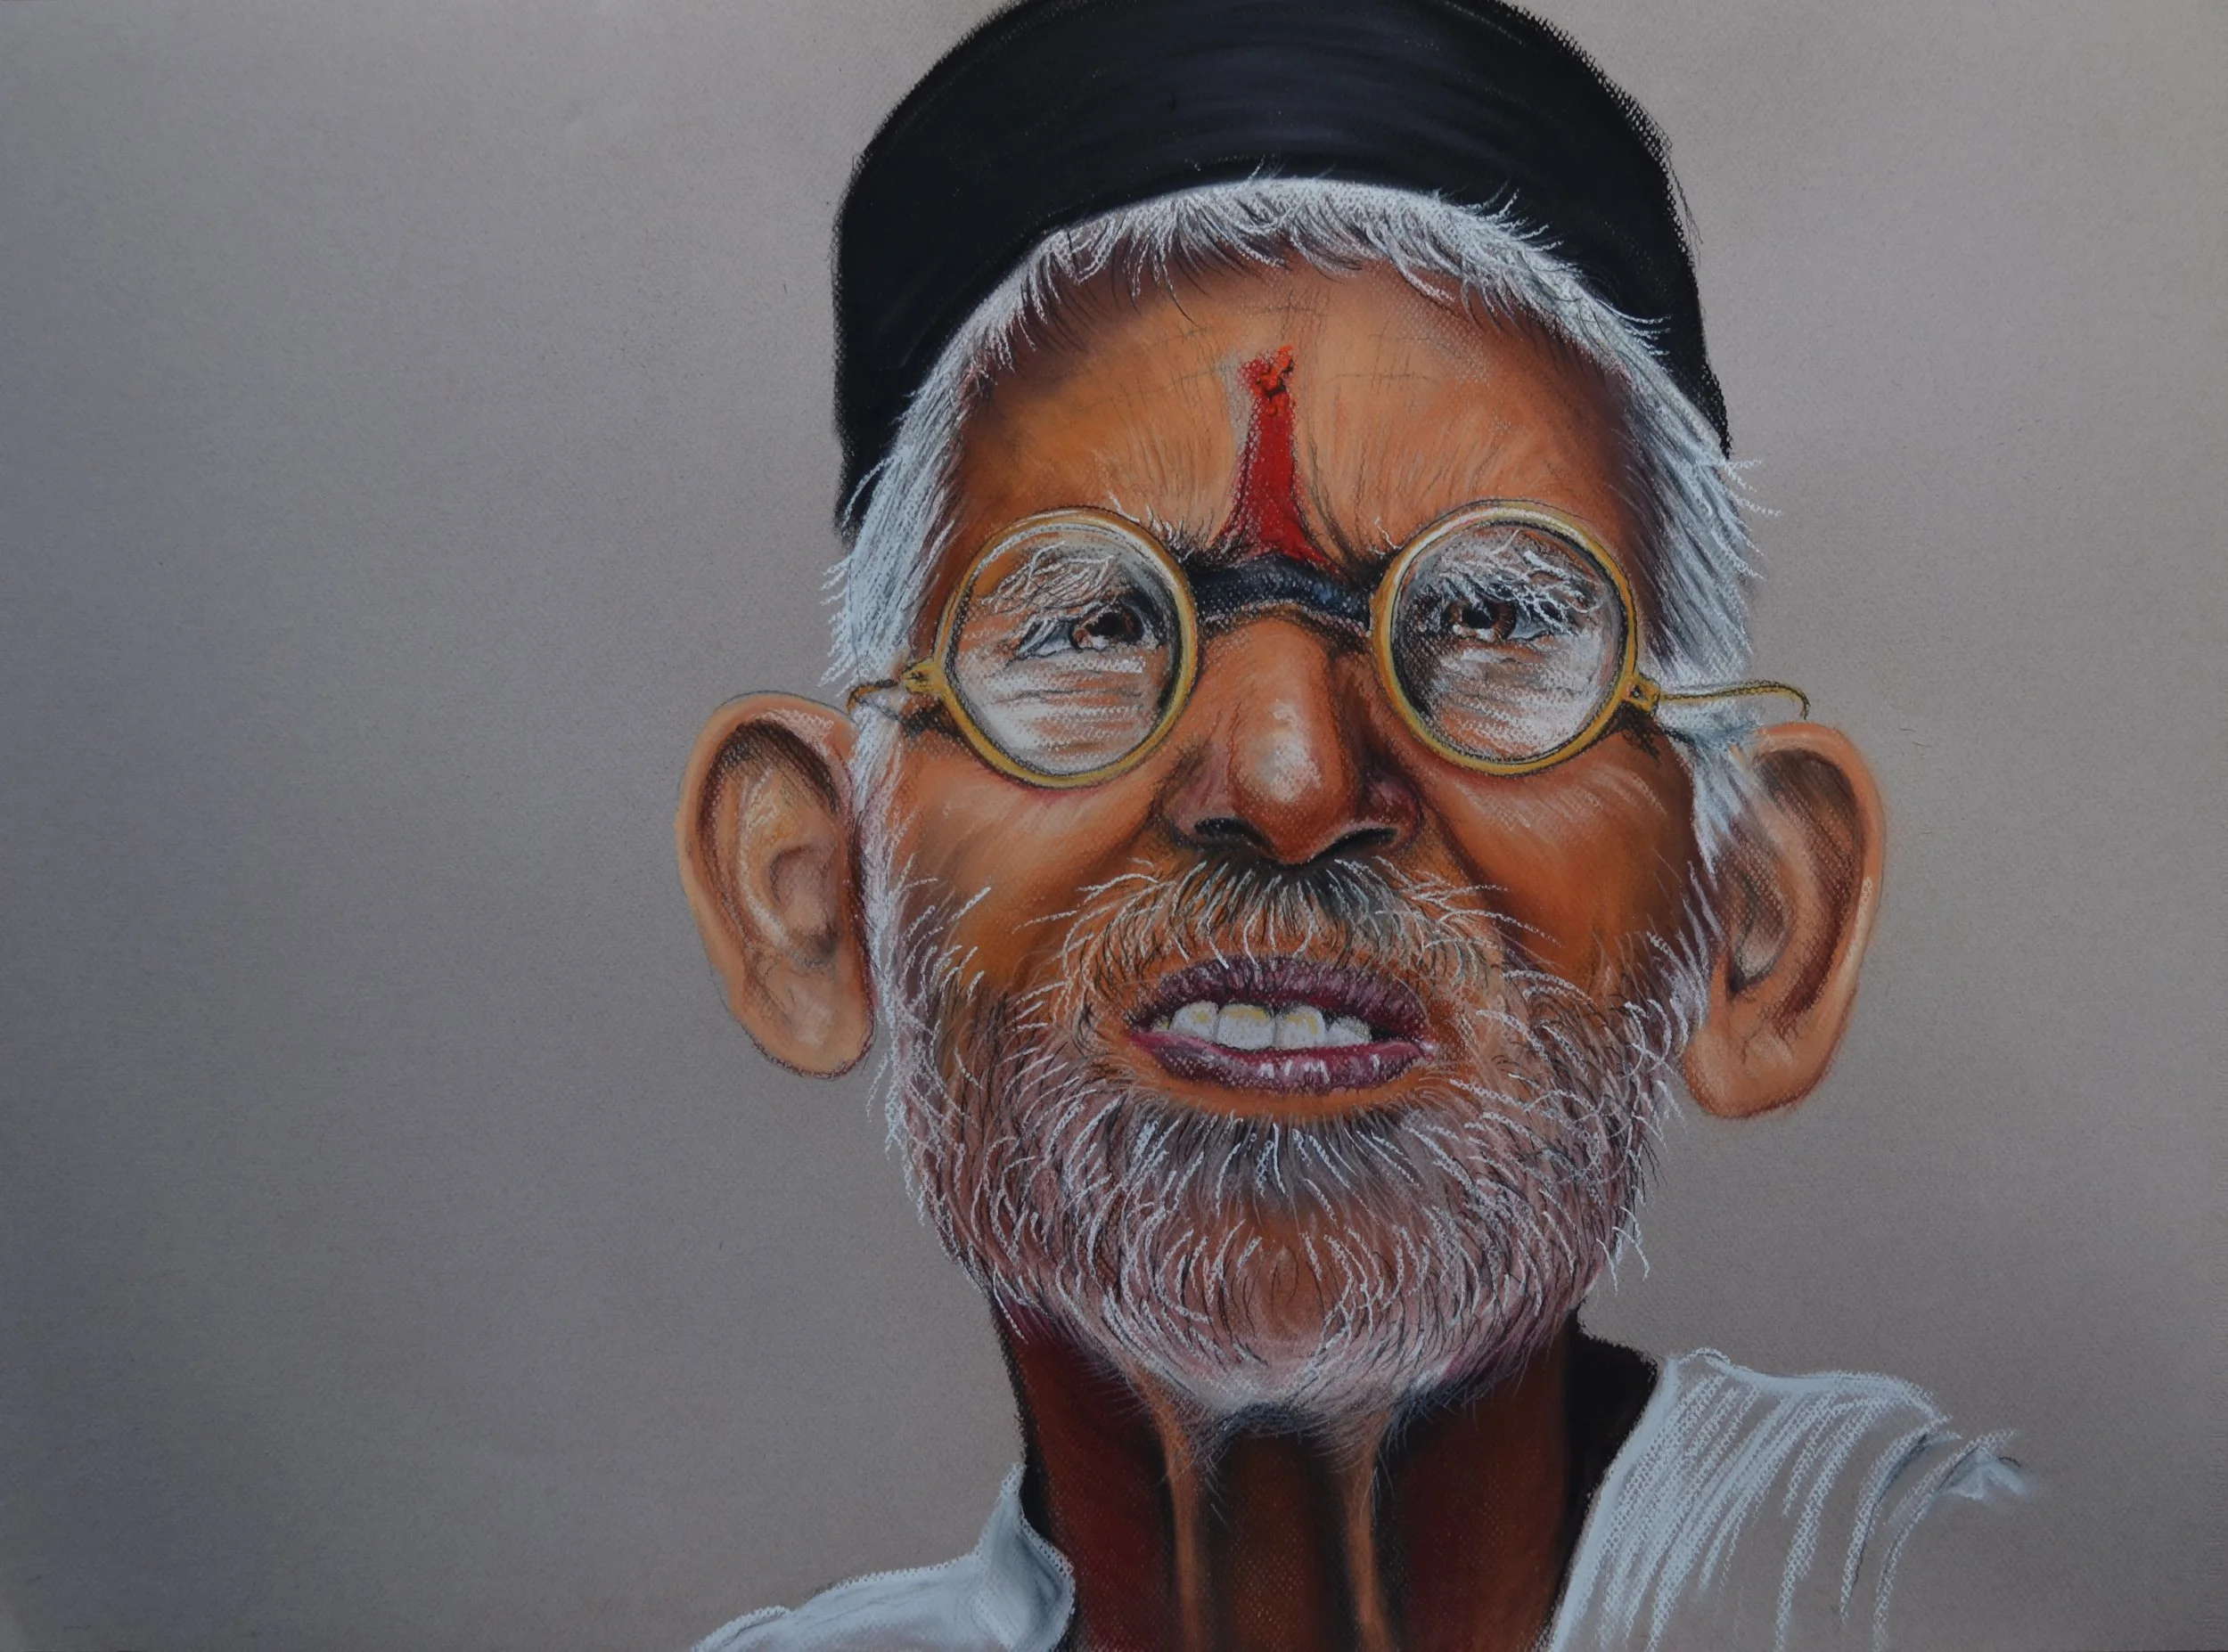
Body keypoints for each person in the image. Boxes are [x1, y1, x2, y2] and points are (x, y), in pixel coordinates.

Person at [675, 1, 2025, 1646]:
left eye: (1487, 618)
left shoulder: (1946, 1587)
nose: (1294, 777)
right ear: (810, 897)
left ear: (1759, 919)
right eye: (1092, 623)